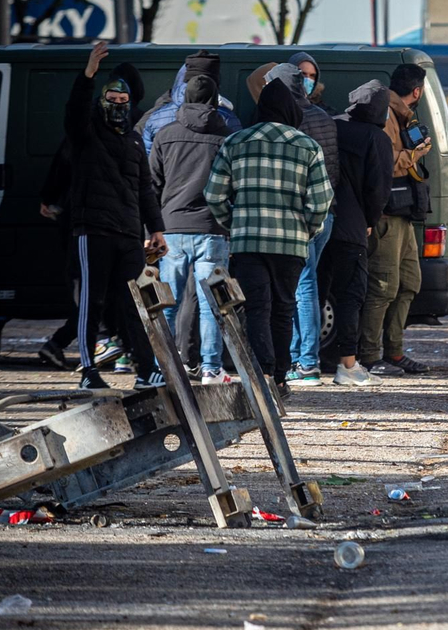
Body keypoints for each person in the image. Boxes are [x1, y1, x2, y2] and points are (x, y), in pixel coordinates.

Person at [204, 79, 333, 399]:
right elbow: (321, 201)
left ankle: (261, 372)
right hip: (290, 243)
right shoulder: (307, 146)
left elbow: (214, 194)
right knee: (284, 308)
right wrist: (308, 230)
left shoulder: (235, 142)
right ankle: (279, 377)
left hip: (248, 242)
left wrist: (234, 223)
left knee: (257, 308)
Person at [64, 42, 167, 391]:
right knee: (92, 300)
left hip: (128, 232)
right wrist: (88, 74)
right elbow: (75, 111)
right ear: (102, 101)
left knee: (133, 302)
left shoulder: (135, 141)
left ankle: (146, 369)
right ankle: (88, 371)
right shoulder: (87, 134)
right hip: (93, 230)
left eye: (124, 102)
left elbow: (144, 189)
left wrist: (157, 229)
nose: (119, 107)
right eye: (113, 101)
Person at [38, 58, 148, 371]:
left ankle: (93, 344)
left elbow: (63, 160)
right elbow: (145, 186)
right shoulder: (136, 125)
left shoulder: (94, 121)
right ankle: (108, 347)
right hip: (121, 222)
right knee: (110, 291)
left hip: (82, 216)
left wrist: (49, 197)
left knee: (92, 288)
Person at [247, 58, 340, 386]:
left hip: (293, 217)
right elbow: (332, 171)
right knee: (307, 285)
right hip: (323, 212)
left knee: (294, 290)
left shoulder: (283, 123)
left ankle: (304, 361)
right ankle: (306, 360)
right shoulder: (324, 117)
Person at [150, 73, 233, 383]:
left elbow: (153, 184)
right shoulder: (225, 138)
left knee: (167, 301)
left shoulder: (165, 134)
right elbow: (231, 187)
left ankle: (164, 368)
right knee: (212, 303)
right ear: (214, 101)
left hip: (172, 229)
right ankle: (212, 367)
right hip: (212, 229)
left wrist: (153, 227)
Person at [358, 63, 435, 375]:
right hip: (386, 215)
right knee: (383, 287)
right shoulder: (386, 115)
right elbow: (386, 164)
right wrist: (417, 153)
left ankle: (395, 351)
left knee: (409, 283)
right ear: (417, 91)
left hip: (403, 215)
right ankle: (370, 356)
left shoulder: (404, 115)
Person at [324, 81, 393, 386]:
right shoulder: (375, 137)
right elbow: (378, 188)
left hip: (319, 219)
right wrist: (370, 219)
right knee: (351, 296)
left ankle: (304, 361)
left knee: (311, 293)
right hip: (352, 225)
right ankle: (348, 365)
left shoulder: (332, 125)